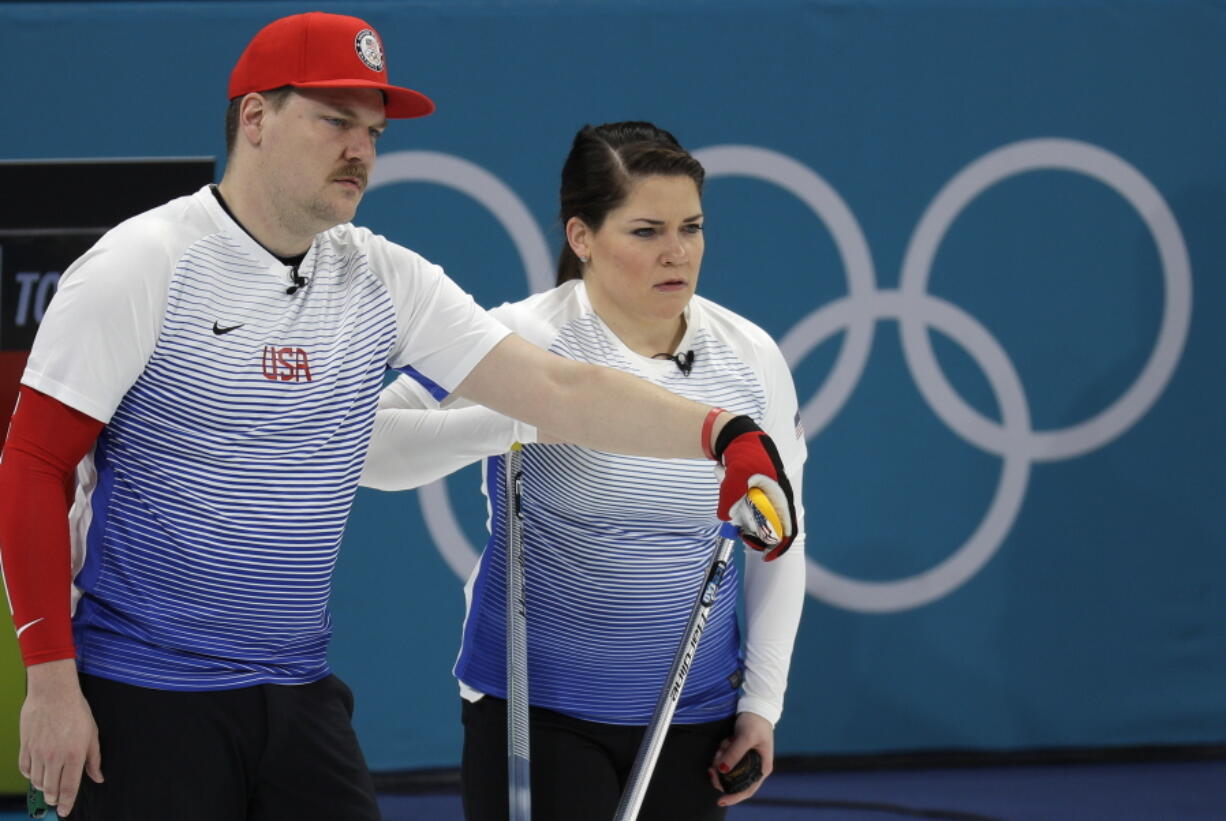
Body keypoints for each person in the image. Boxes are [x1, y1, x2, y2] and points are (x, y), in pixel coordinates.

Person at [0, 15, 798, 821]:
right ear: (254, 119)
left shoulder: (381, 276)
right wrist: (50, 683)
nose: (361, 150)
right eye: (335, 121)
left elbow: (559, 390)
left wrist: (721, 434)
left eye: (373, 132)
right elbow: (33, 464)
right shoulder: (146, 262)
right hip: (143, 688)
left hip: (295, 688)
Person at [364, 121, 807, 820]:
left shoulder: (750, 358)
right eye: (646, 231)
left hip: (690, 716)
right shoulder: (523, 341)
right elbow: (372, 445)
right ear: (582, 238)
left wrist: (761, 704)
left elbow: (780, 539)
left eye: (691, 227)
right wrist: (525, 418)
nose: (677, 253)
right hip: (537, 712)